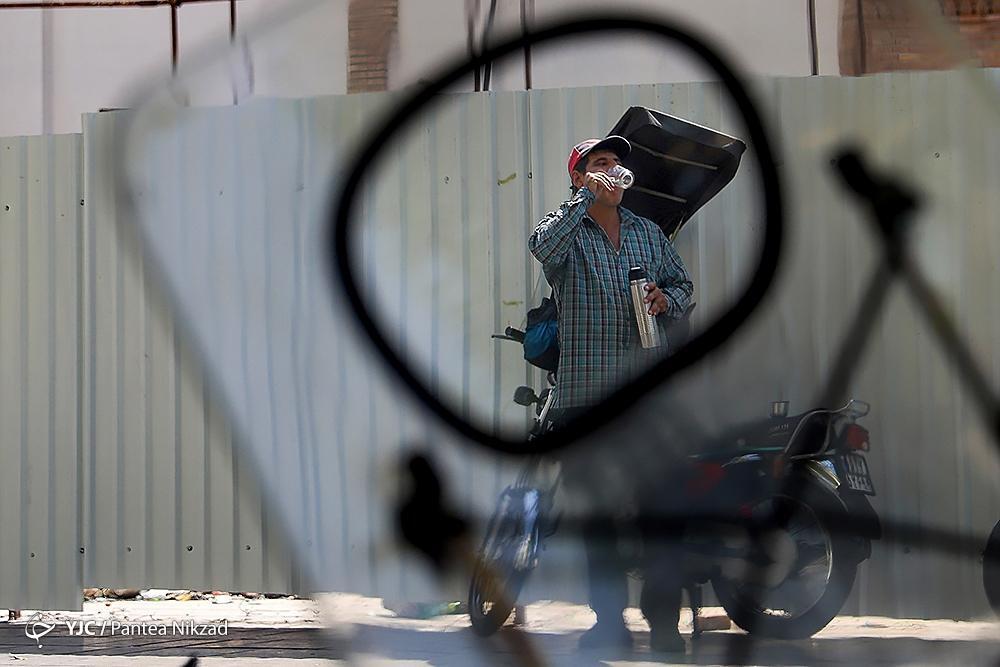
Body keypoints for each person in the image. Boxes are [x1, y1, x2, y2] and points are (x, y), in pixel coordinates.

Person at [527, 136, 694, 654]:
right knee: (599, 523)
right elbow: (541, 246)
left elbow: (684, 285)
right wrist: (584, 199)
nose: (613, 172)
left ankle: (665, 626)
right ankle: (607, 626)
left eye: (617, 165)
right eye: (600, 165)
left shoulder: (647, 232)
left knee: (659, 516)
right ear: (578, 177)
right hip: (587, 401)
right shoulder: (568, 233)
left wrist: (668, 299)